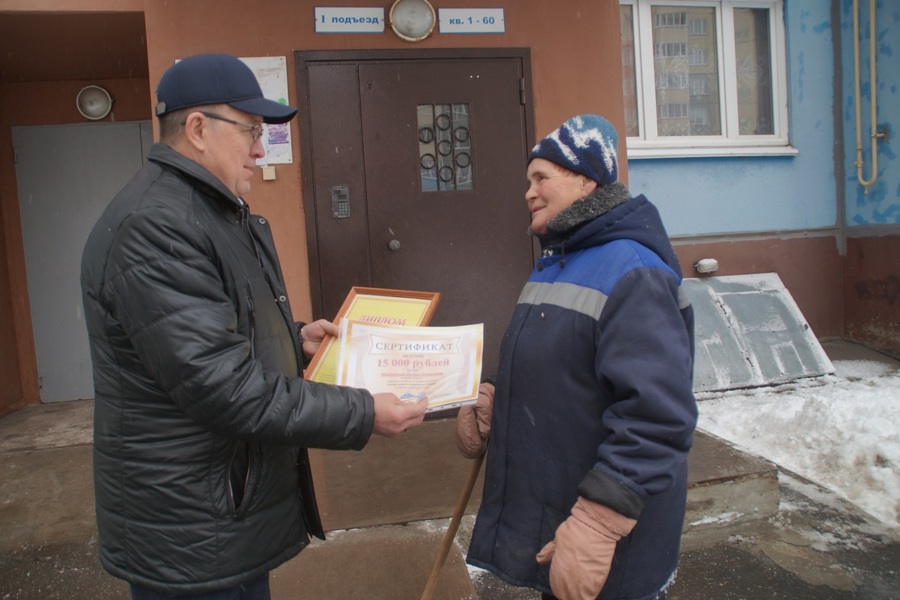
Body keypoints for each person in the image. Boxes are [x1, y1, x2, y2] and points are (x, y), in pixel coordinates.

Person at [80, 53, 427, 599]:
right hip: (191, 528)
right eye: (251, 131)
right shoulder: (157, 227)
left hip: (220, 512)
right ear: (197, 129)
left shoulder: (206, 211)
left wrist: (293, 338)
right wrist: (362, 411)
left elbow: (210, 332)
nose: (262, 149)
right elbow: (222, 388)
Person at [456, 114, 698, 600]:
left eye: (542, 178)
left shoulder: (633, 272)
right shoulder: (558, 262)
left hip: (608, 543)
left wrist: (598, 523)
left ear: (588, 180)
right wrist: (497, 404)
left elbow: (656, 416)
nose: (528, 192)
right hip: (560, 516)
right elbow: (558, 368)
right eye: (528, 181)